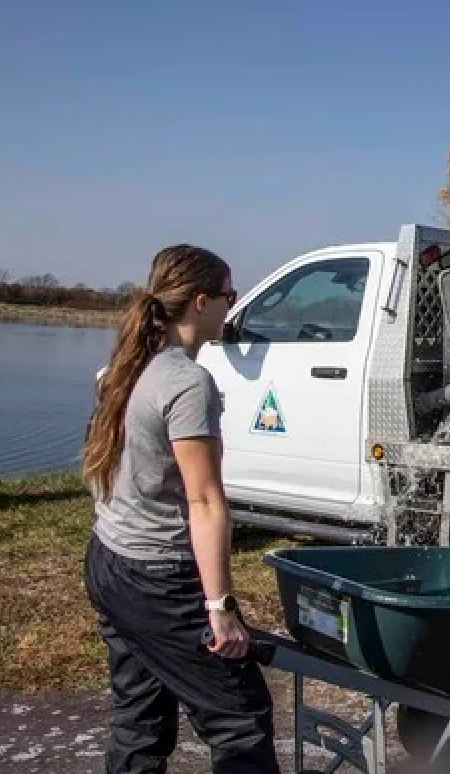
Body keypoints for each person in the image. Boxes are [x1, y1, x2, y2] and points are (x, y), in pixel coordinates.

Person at [81, 245, 281, 774]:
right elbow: (205, 500)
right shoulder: (186, 382)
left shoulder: (123, 367)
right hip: (158, 581)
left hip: (108, 560)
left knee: (139, 716)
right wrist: (219, 606)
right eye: (228, 297)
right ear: (199, 302)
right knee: (239, 717)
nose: (231, 308)